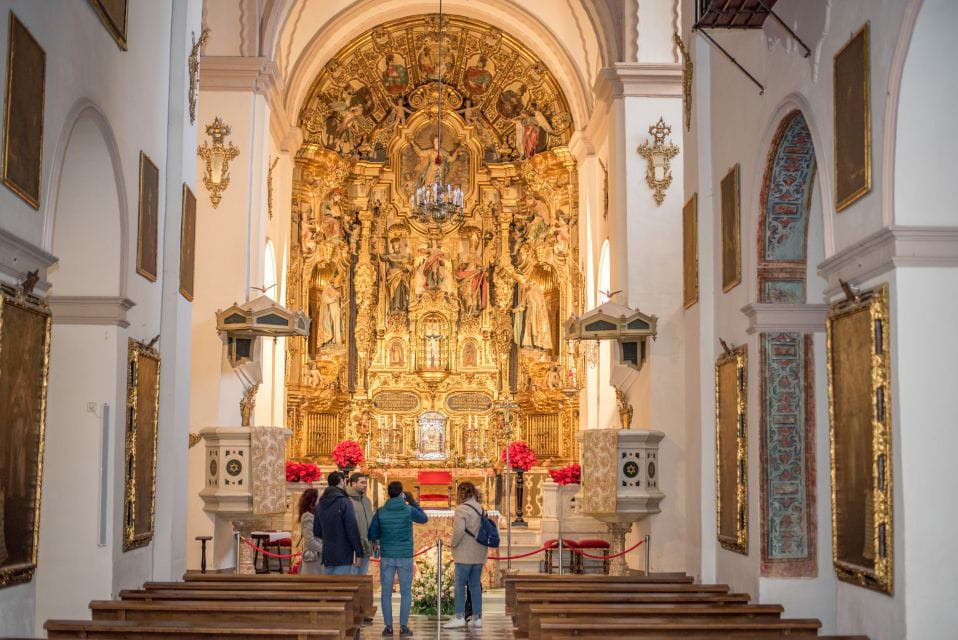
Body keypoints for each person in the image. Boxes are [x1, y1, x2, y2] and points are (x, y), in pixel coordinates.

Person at [368, 481, 429, 637]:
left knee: (386, 593)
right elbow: (423, 518)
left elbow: (372, 534)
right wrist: (413, 501)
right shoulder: (408, 509)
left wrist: (382, 537)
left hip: (387, 556)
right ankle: (403, 627)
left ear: (388, 493)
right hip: (404, 556)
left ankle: (388, 627)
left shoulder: (381, 511)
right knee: (406, 592)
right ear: (402, 493)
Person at [445, 482, 488, 629]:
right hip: (479, 551)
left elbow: (459, 531)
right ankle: (476, 617)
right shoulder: (480, 508)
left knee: (459, 585)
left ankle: (459, 616)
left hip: (464, 553)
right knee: (475, 585)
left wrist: (453, 544)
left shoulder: (462, 510)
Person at [313, 471, 364, 575]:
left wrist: (330, 538)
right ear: (342, 481)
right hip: (344, 554)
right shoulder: (344, 502)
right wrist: (359, 552)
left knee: (329, 589)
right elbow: (352, 529)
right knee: (342, 588)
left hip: (327, 554)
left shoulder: (320, 503)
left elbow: (316, 531)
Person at [346, 472, 374, 576]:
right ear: (353, 484)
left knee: (363, 579)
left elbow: (370, 521)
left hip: (367, 545)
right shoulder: (347, 500)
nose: (365, 485)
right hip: (354, 548)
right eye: (362, 483)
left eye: (366, 483)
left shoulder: (367, 500)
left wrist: (374, 541)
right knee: (352, 579)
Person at [297, 488, 323, 574]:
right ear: (313, 500)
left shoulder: (314, 514)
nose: (321, 500)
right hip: (313, 559)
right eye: (319, 498)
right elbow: (309, 541)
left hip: (317, 557)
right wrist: (325, 549)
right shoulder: (308, 516)